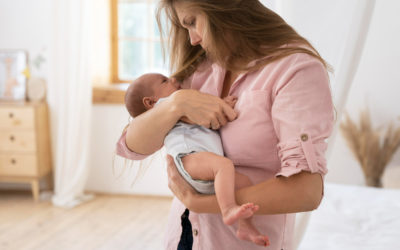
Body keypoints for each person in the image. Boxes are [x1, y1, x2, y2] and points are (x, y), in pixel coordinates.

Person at [116, 0, 335, 249]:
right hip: (183, 236)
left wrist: (203, 203)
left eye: (192, 23)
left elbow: (305, 191)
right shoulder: (199, 68)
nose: (193, 40)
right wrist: (176, 104)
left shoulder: (294, 69)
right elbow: (130, 146)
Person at [124, 73, 270, 247]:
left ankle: (245, 225)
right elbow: (194, 116)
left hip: (203, 164)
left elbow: (202, 115)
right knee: (223, 165)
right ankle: (228, 209)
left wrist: (219, 104)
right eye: (165, 81)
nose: (174, 80)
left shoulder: (174, 103)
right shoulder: (166, 105)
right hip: (189, 158)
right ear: (150, 102)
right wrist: (222, 105)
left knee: (244, 182)